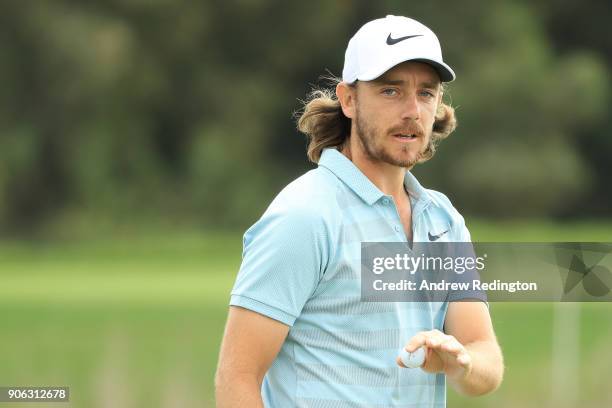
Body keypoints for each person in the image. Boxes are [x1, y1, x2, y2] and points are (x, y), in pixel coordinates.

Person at [215, 15, 504, 407]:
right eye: (390, 91)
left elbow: (484, 354)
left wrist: (462, 363)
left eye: (426, 93)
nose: (412, 111)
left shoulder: (443, 220)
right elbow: (237, 379)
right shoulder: (304, 216)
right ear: (349, 99)